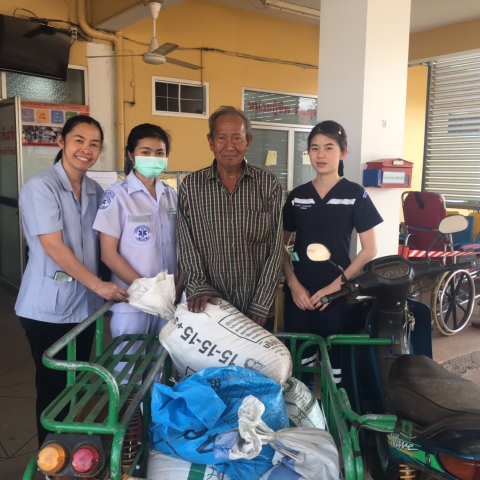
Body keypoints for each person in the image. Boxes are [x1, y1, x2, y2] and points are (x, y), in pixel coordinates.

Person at [15, 115, 129, 447]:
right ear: (61, 141)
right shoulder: (42, 186)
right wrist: (99, 285)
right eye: (79, 140)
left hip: (84, 308)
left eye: (94, 144)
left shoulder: (95, 191)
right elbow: (53, 246)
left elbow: (107, 243)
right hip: (47, 308)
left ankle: (72, 453)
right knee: (53, 389)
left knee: (75, 384)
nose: (86, 149)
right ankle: (49, 457)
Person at [282, 120, 383, 386]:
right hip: (300, 298)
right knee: (299, 372)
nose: (321, 154)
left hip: (337, 297)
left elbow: (370, 249)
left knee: (336, 374)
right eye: (315, 148)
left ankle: (333, 413)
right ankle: (304, 411)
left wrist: (335, 288)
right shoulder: (297, 196)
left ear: (343, 152)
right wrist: (293, 285)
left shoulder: (354, 195)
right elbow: (278, 246)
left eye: (329, 147)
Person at [178, 105, 283, 330]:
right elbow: (187, 244)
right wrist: (198, 287)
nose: (229, 146)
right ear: (210, 141)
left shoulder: (267, 185)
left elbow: (275, 248)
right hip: (208, 305)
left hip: (256, 308)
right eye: (221, 138)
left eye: (237, 138)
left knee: (257, 355)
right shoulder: (191, 187)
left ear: (248, 140)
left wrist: (262, 302)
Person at [93, 124, 184, 379]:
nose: (153, 158)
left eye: (159, 152)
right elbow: (108, 253)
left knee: (161, 365)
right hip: (132, 299)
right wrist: (147, 290)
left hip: (168, 299)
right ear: (131, 155)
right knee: (125, 368)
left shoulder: (171, 196)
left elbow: (181, 246)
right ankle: (125, 405)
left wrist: (176, 287)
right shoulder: (117, 195)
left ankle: (154, 406)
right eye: (146, 151)